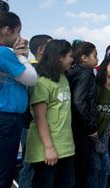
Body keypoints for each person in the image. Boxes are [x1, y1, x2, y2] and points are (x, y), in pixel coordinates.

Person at [25, 40, 75, 187]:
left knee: (68, 183)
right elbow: (40, 117)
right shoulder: (41, 81)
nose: (72, 60)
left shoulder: (63, 78)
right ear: (59, 57)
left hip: (65, 147)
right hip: (46, 148)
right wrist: (48, 147)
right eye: (70, 56)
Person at [0, 11, 37, 188]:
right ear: (7, 30)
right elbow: (31, 79)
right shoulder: (4, 52)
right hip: (6, 118)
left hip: (4, 118)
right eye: (18, 32)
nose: (19, 37)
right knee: (3, 171)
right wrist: (21, 55)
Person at [19, 34, 53, 188]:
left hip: (49, 125)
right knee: (30, 165)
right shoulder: (30, 71)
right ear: (40, 50)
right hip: (30, 125)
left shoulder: (51, 72)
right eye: (51, 47)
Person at [66, 40, 99, 188]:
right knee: (80, 167)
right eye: (95, 55)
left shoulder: (79, 72)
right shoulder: (84, 73)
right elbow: (79, 101)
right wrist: (90, 126)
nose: (97, 59)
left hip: (77, 125)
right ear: (84, 58)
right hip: (81, 127)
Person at [88, 57, 110, 188]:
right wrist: (95, 139)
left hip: (104, 137)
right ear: (105, 69)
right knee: (95, 167)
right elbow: (90, 114)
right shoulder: (96, 87)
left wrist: (103, 142)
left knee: (105, 167)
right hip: (91, 136)